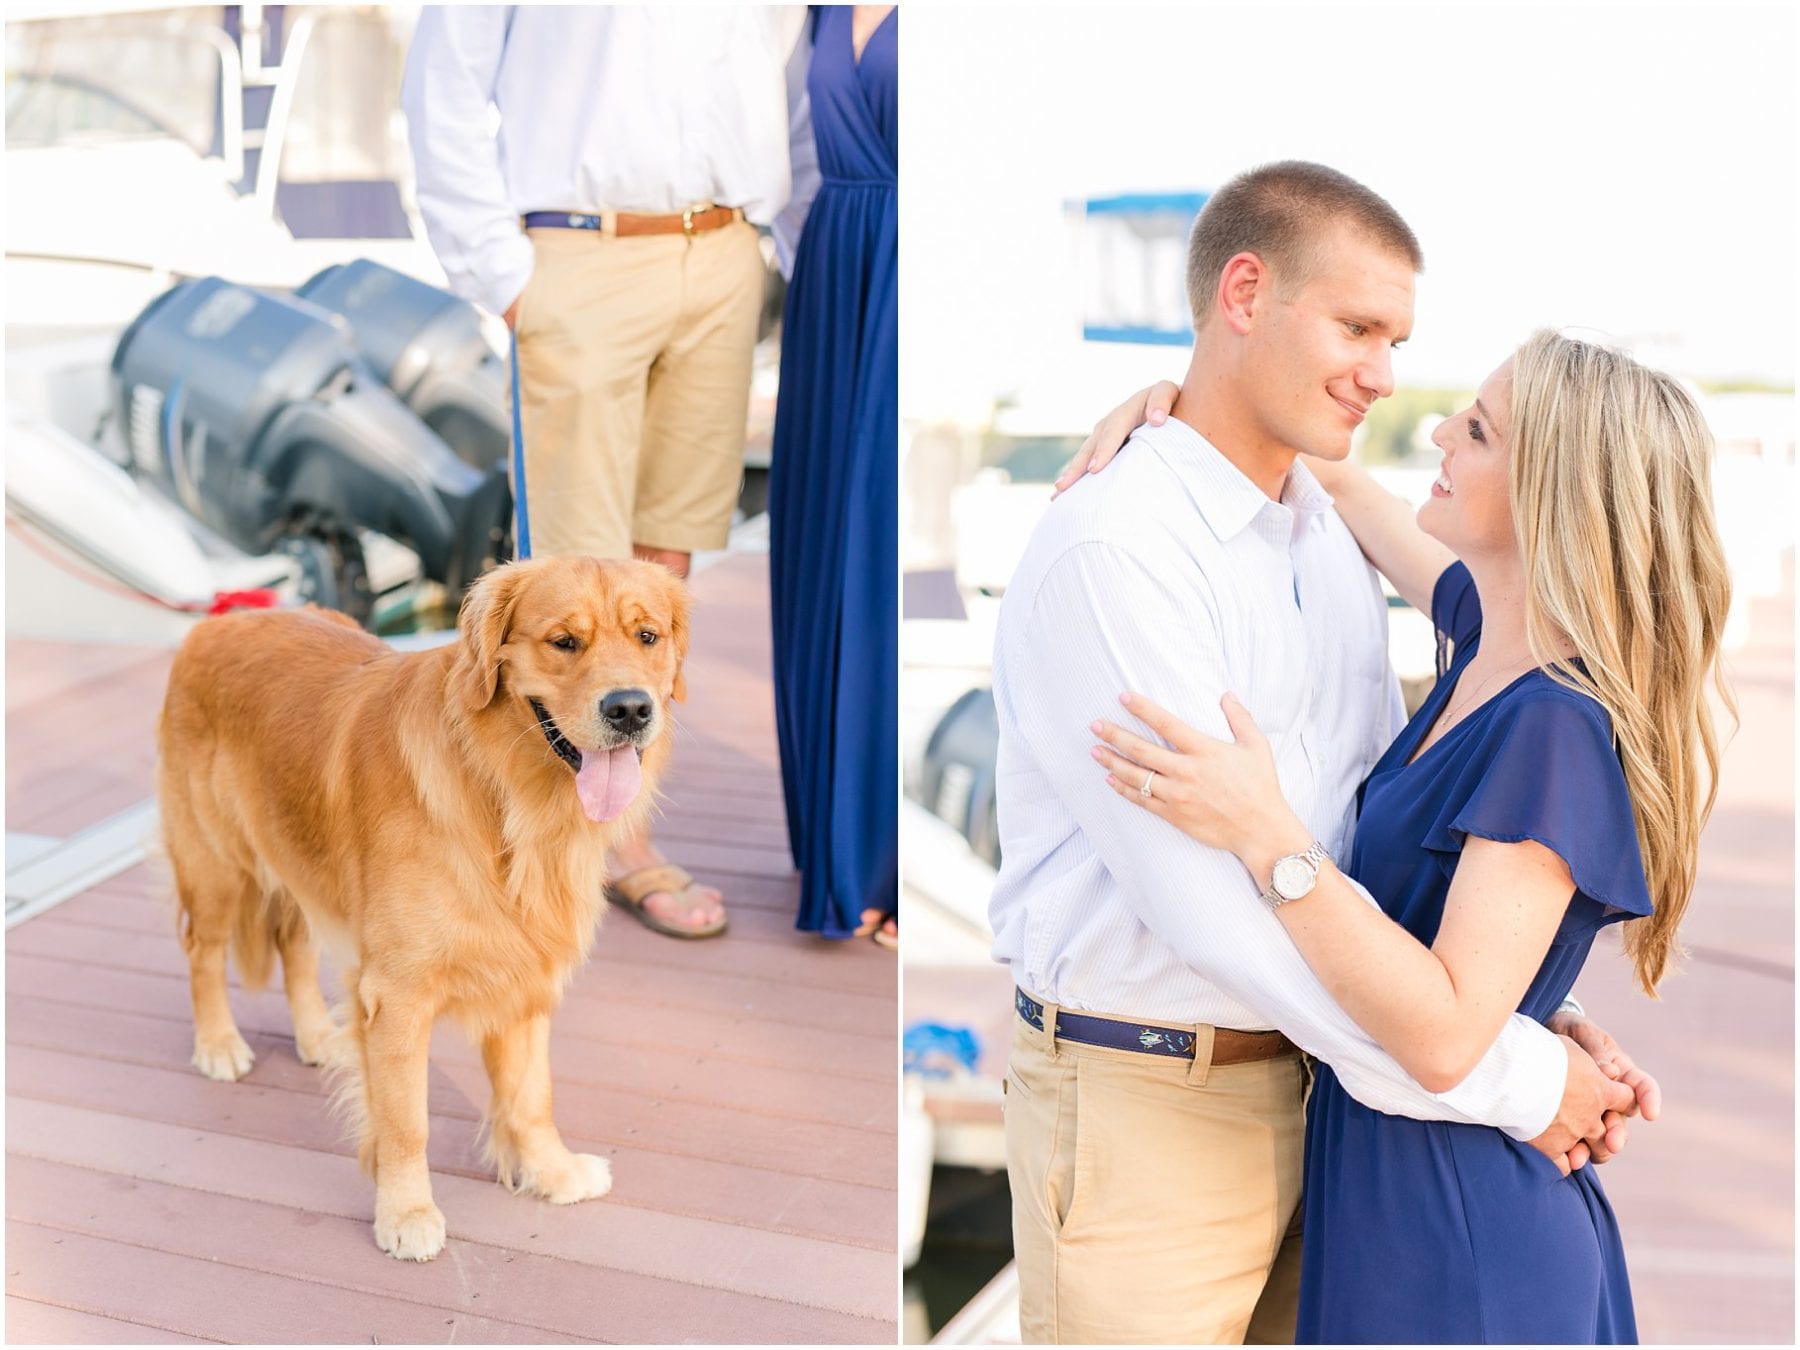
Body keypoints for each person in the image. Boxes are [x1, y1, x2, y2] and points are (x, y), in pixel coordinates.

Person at [986, 162, 1652, 1344]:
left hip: (1350, 1118)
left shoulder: (1329, 547)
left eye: (1397, 340)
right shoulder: (1119, 553)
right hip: (1163, 1116)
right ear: (1244, 290)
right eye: (1358, 326)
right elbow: (1219, 918)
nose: (1392, 381)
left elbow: (1350, 851)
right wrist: (1519, 1075)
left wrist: (1525, 1004)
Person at [1082, 329, 1731, 1341]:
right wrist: (1185, 404)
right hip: (1403, 1189)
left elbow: (1441, 1033)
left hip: (1458, 1230)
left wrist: (1267, 835)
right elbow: (1344, 484)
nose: (1436, 431)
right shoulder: (1487, 634)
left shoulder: (1551, 728)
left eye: (1477, 430)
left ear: (1549, 494)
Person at [402, 6, 811, 939]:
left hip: (724, 253)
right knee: (569, 586)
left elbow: (782, 78)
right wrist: (503, 275)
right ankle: (597, 847)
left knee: (662, 574)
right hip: (579, 252)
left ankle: (620, 815)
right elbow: (445, 81)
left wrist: (774, 240)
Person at [767, 5, 898, 947]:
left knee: (879, 552)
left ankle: (880, 860)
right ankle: (833, 850)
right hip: (832, 274)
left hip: (906, 273)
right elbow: (790, 161)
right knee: (821, 558)